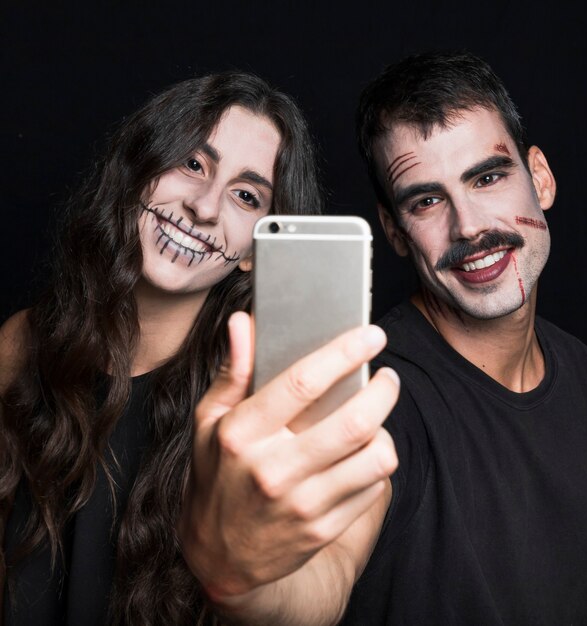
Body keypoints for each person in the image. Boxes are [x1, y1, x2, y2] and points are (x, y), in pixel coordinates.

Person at [178, 52, 587, 625]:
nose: (467, 227)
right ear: (393, 229)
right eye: (426, 200)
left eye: (487, 178)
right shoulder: (374, 395)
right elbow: (321, 582)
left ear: (540, 178)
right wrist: (243, 578)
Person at [0, 71, 400, 625]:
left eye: (245, 195)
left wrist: (242, 581)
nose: (206, 208)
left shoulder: (280, 417)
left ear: (255, 249)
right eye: (192, 163)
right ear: (139, 170)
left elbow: (316, 597)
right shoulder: (23, 342)